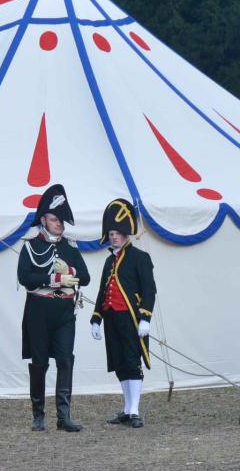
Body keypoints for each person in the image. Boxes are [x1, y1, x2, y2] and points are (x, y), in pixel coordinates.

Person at [18, 184, 90, 432]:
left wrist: (70, 271)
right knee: (39, 363)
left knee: (65, 361)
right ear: (43, 220)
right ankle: (38, 415)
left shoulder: (70, 246)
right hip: (38, 313)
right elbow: (24, 277)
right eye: (54, 219)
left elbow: (85, 277)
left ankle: (64, 416)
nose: (59, 224)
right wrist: (55, 279)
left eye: (60, 220)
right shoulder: (30, 245)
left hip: (64, 313)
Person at [90, 199, 156, 428]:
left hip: (131, 319)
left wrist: (145, 318)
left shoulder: (140, 258)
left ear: (126, 234)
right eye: (111, 233)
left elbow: (149, 291)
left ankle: (135, 410)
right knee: (119, 363)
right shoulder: (109, 261)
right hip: (111, 319)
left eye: (118, 233)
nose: (114, 237)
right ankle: (127, 409)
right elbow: (102, 292)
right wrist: (96, 319)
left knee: (131, 361)